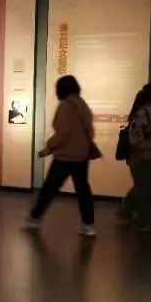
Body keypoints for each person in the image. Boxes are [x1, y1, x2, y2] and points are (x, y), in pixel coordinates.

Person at [26, 75, 97, 237]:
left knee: (49, 189)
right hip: (81, 156)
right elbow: (90, 131)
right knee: (83, 191)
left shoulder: (65, 106)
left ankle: (35, 218)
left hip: (64, 156)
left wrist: (49, 147)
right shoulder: (83, 105)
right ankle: (88, 225)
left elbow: (63, 133)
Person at [126, 82, 151, 231]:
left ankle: (130, 212)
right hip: (142, 158)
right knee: (144, 189)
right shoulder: (143, 114)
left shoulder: (149, 113)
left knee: (142, 187)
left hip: (147, 158)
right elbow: (136, 140)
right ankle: (143, 220)